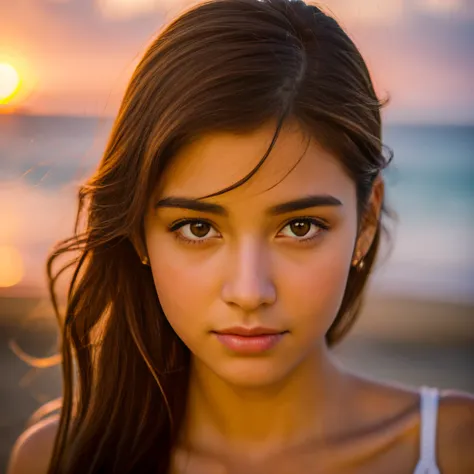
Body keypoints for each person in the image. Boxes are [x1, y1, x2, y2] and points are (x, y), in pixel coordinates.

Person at [7, 0, 474, 473]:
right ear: (137, 233)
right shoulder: (57, 459)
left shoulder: (456, 447)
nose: (249, 292)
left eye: (299, 227)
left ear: (366, 221)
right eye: (198, 228)